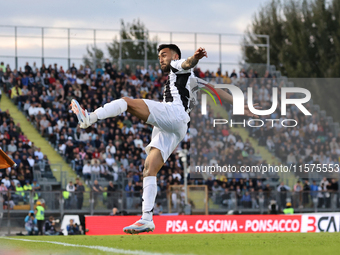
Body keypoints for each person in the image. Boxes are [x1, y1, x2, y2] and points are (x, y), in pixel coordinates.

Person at [71, 44, 255, 234]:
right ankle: (147, 218)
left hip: (173, 113)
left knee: (126, 102)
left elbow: (187, 62)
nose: (161, 59)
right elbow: (217, 90)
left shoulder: (177, 66)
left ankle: (89, 118)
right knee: (149, 169)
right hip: (178, 126)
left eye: (164, 55)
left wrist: (195, 58)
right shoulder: (193, 79)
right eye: (159, 56)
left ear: (174, 56)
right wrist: (242, 105)